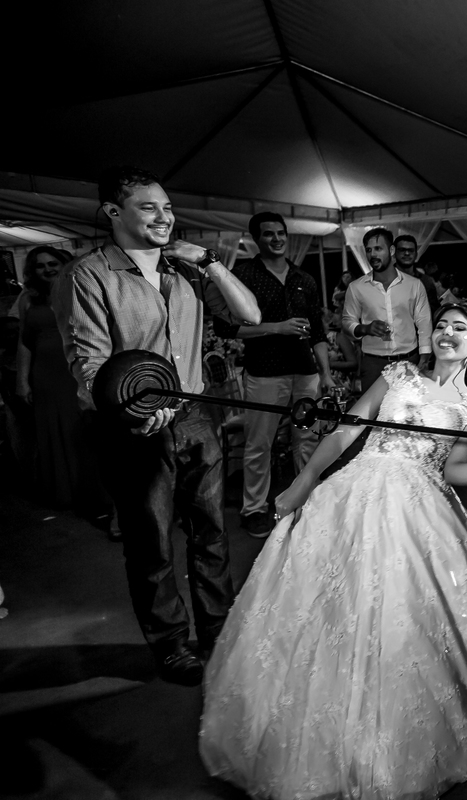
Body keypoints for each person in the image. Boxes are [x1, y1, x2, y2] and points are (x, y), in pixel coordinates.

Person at [199, 303, 467, 800]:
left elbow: (453, 471)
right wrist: (303, 481)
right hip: (353, 494)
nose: (448, 333)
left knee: (400, 614)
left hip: (419, 510)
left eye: (461, 328)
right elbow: (346, 429)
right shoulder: (400, 374)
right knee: (326, 604)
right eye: (443, 325)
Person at [52, 166, 261, 686]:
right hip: (133, 426)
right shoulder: (88, 275)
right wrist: (132, 415)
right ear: (114, 213)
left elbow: (250, 315)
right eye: (150, 207)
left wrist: (209, 262)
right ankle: (170, 644)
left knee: (212, 532)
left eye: (168, 208)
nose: (164, 217)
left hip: (194, 417)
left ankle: (218, 629)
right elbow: (91, 365)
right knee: (152, 544)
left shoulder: (183, 271)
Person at [213, 212, 335, 536]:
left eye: (281, 233)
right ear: (257, 238)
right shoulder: (244, 275)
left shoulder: (304, 278)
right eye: (269, 234)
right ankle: (254, 508)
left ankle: (306, 498)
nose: (277, 239)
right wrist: (277, 328)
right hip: (265, 373)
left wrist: (326, 374)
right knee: (259, 444)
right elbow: (227, 327)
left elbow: (319, 333)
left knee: (306, 438)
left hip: (305, 372)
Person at [14, 246, 110, 520]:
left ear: (64, 263)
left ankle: (96, 494)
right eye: (40, 266)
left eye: (52, 263)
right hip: (45, 374)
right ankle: (65, 492)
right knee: (54, 430)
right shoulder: (27, 299)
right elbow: (24, 342)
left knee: (84, 431)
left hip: (76, 368)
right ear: (32, 272)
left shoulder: (80, 288)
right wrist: (22, 380)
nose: (48, 269)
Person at [343, 227, 432, 390]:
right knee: (373, 415)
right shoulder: (356, 288)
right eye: (368, 250)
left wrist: (424, 357)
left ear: (391, 250)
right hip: (373, 364)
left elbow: (424, 322)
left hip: (408, 361)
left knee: (410, 414)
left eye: (378, 249)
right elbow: (347, 321)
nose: (372, 255)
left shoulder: (414, 285)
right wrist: (365, 328)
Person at [394, 233, 439, 312]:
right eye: (402, 250)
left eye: (411, 250)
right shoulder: (382, 279)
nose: (407, 253)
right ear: (394, 253)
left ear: (416, 255)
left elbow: (434, 311)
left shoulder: (426, 282)